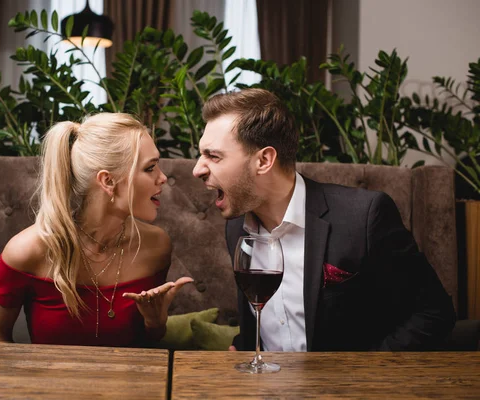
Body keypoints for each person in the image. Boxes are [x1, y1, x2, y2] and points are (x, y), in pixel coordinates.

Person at [192, 88, 456, 351]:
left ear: (264, 160)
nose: (197, 169)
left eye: (213, 156)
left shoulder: (364, 217)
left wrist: (364, 376)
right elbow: (259, 324)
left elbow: (434, 313)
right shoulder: (237, 228)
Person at [0, 113, 193, 346]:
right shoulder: (26, 251)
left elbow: (149, 343)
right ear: (108, 181)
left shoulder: (157, 246)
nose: (162, 177)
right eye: (150, 168)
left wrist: (155, 323)